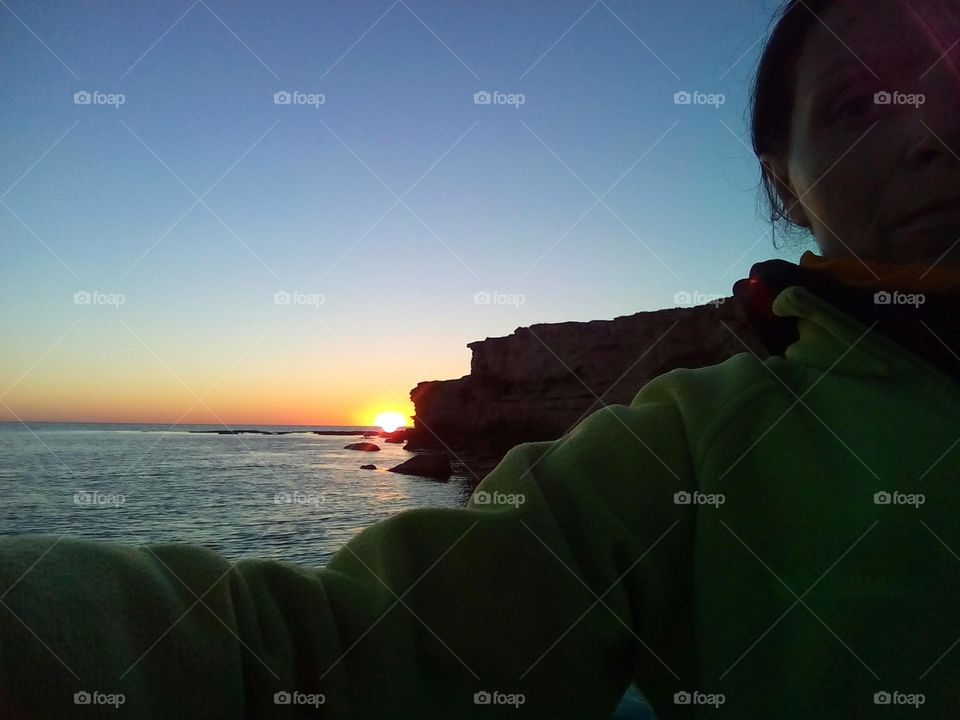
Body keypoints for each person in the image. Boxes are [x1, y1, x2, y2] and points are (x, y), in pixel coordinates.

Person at [4, 0, 960, 716]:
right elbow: (351, 649)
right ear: (783, 186)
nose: (936, 130)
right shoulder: (697, 445)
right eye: (858, 105)